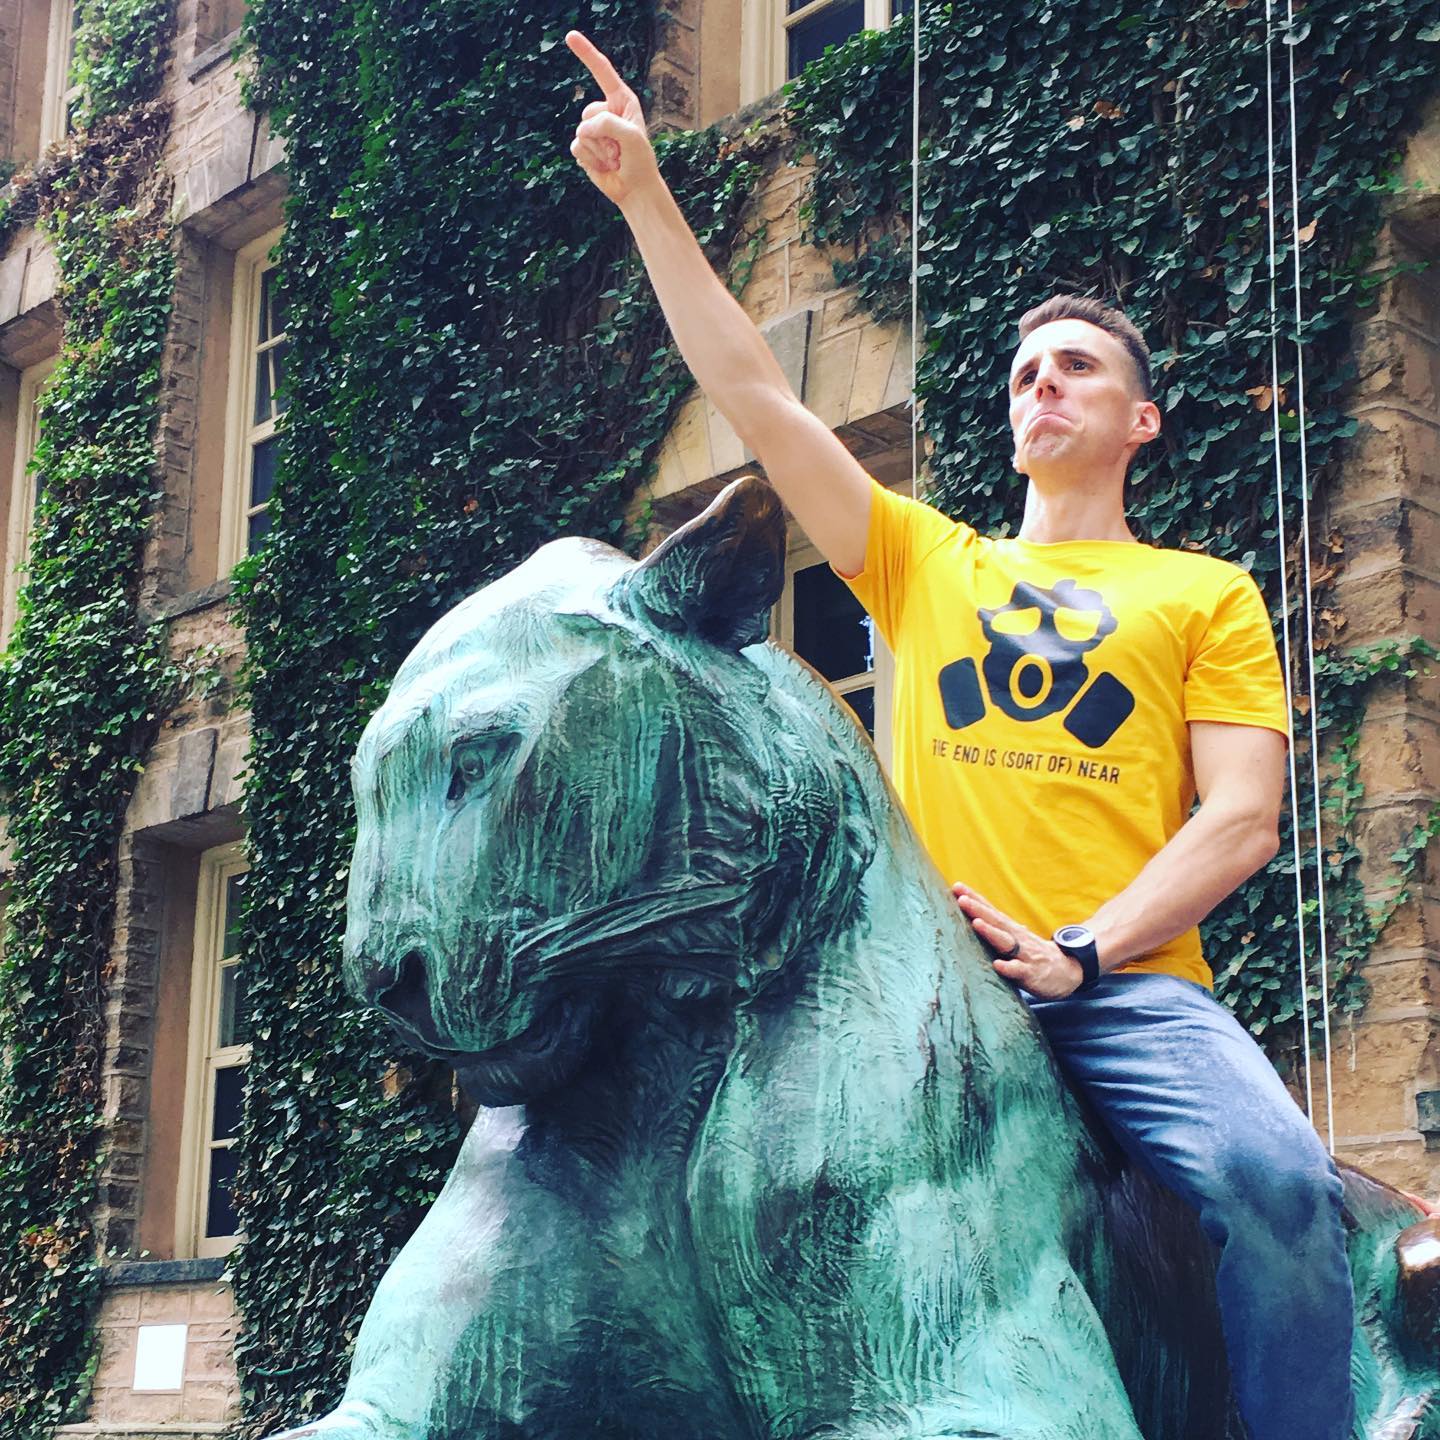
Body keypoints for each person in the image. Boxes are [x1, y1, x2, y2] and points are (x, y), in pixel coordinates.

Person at [563, 29, 1355, 1440]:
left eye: (1074, 370)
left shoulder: (1202, 593)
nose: (1038, 386)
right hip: (919, 993)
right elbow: (756, 392)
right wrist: (645, 201)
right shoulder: (925, 561)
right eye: (1021, 374)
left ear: (1142, 420)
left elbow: (1240, 816)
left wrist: (1086, 951)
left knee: (1285, 1189)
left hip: (1126, 988)